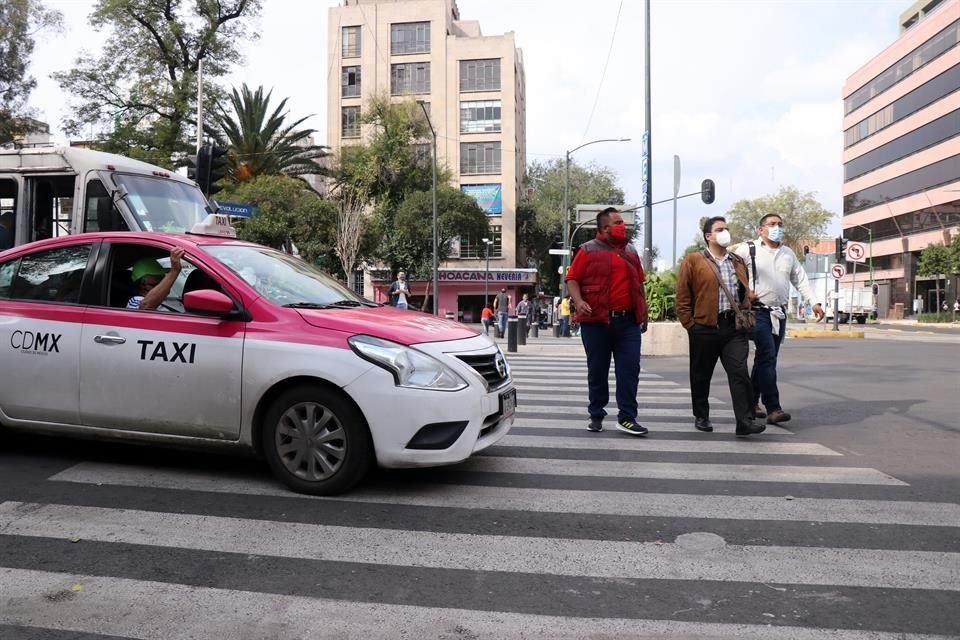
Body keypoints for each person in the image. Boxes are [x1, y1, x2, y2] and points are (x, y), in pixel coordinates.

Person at [565, 207, 649, 436]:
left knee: (629, 371)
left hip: (628, 323)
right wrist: (579, 301)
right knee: (597, 370)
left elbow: (639, 284)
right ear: (604, 228)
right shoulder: (587, 250)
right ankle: (596, 414)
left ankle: (627, 417)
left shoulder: (631, 251)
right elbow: (572, 279)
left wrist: (645, 311)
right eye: (618, 222)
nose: (624, 226)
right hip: (596, 323)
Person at [733, 213, 823, 425]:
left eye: (780, 224)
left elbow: (800, 279)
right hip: (758, 312)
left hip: (778, 313)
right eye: (772, 224)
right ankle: (773, 407)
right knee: (768, 356)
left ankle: (752, 402)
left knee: (765, 359)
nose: (777, 228)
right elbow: (731, 270)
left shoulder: (787, 254)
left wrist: (814, 302)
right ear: (760, 229)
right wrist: (746, 291)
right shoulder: (748, 249)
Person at [678, 217, 764, 437]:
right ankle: (701, 415)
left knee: (739, 372)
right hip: (704, 326)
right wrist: (691, 324)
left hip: (733, 327)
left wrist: (746, 308)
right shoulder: (693, 260)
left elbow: (743, 290)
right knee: (701, 374)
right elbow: (683, 296)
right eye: (720, 229)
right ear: (709, 236)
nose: (725, 232)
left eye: (726, 228)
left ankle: (744, 421)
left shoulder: (736, 260)